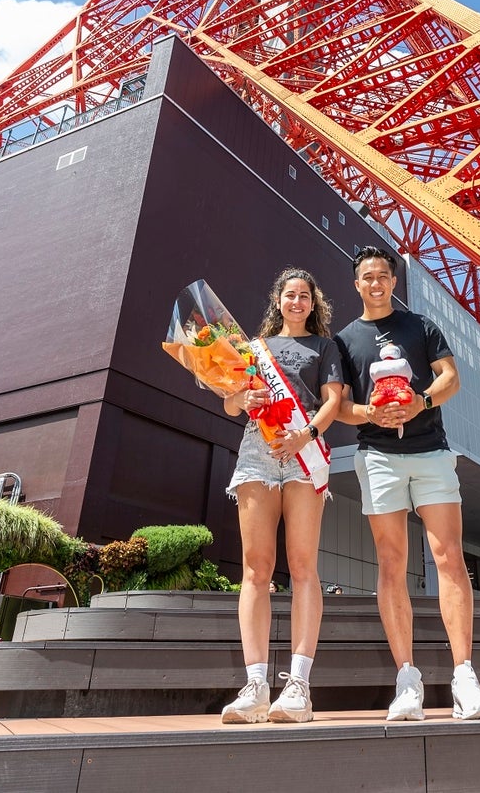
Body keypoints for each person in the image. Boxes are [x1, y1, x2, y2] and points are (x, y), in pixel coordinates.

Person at [336, 246, 480, 722]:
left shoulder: (422, 327)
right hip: (378, 455)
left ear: (393, 281)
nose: (376, 283)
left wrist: (420, 402)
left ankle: (464, 676)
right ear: (357, 284)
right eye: (367, 277)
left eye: (383, 276)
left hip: (431, 451)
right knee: (391, 563)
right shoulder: (345, 340)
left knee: (448, 555)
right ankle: (407, 679)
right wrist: (375, 412)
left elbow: (452, 378)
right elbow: (341, 405)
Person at [220, 268, 343, 725]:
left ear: (314, 303)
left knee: (303, 565)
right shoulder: (255, 348)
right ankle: (254, 685)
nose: (297, 302)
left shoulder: (325, 347)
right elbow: (232, 402)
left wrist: (304, 434)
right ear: (278, 300)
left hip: (303, 448)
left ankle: (298, 686)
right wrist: (242, 402)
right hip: (258, 449)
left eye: (304, 296)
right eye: (289, 295)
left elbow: (332, 400)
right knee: (256, 568)